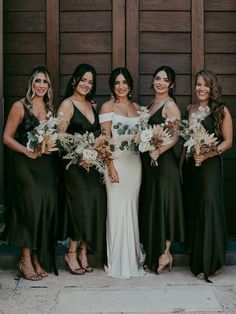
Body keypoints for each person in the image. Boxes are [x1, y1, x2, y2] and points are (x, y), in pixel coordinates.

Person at [3, 66, 58, 280]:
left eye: (45, 82)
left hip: (46, 167)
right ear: (31, 84)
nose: (41, 85)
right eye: (38, 81)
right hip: (25, 166)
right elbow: (6, 137)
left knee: (43, 209)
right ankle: (24, 259)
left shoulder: (50, 109)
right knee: (30, 209)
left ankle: (36, 257)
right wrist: (26, 151)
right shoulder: (20, 106)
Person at [181, 69, 233, 282]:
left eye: (206, 85)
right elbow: (186, 142)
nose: (201, 88)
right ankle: (197, 258)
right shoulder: (189, 109)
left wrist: (209, 153)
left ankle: (211, 261)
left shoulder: (221, 110)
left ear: (212, 88)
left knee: (209, 206)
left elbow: (228, 141)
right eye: (198, 84)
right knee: (194, 208)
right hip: (192, 167)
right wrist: (181, 167)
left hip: (210, 167)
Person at [57, 63, 107, 275]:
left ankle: (84, 251)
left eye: (90, 82)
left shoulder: (91, 105)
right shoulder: (67, 105)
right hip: (74, 167)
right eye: (83, 79)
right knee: (80, 207)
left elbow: (97, 136)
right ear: (74, 80)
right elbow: (60, 137)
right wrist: (78, 157)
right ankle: (71, 251)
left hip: (93, 167)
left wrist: (94, 154)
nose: (86, 84)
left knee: (94, 204)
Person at [99, 67, 145, 279]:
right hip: (116, 164)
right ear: (112, 85)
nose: (121, 86)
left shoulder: (137, 107)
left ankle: (132, 259)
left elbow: (144, 137)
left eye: (124, 82)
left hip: (134, 163)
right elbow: (105, 140)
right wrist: (110, 166)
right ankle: (116, 260)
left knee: (132, 209)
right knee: (116, 209)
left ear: (130, 85)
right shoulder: (107, 107)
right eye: (117, 82)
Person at [139, 65, 185, 274]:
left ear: (171, 84)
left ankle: (165, 253)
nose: (160, 82)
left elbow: (176, 136)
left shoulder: (170, 105)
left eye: (165, 80)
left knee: (164, 205)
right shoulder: (150, 104)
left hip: (165, 164)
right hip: (151, 165)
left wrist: (160, 149)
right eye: (157, 78)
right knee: (154, 205)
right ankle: (156, 250)